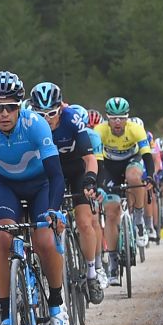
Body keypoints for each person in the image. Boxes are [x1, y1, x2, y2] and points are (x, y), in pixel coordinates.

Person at [0, 70, 69, 325]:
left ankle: (56, 304)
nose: (5, 113)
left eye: (11, 107)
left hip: (41, 185)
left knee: (45, 241)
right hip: (6, 186)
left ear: (20, 107)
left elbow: (56, 175)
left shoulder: (35, 124)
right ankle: (5, 316)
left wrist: (54, 209)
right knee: (2, 238)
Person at [31, 81, 105, 305]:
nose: (46, 119)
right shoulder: (29, 123)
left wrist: (91, 179)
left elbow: (89, 158)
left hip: (74, 172)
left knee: (84, 222)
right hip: (48, 174)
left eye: (51, 113)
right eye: (40, 113)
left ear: (60, 109)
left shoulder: (72, 119)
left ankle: (92, 273)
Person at [96, 96, 154, 283]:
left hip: (131, 162)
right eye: (113, 118)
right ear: (107, 118)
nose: (118, 122)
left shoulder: (136, 129)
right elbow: (97, 162)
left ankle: (138, 217)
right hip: (109, 168)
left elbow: (147, 156)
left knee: (134, 178)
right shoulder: (100, 131)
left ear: (127, 117)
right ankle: (112, 261)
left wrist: (151, 176)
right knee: (111, 213)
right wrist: (99, 183)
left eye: (121, 117)